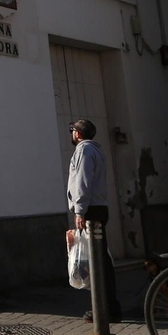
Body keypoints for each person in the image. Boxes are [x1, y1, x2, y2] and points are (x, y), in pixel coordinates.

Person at [65, 118, 121, 322]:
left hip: (91, 210)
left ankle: (104, 308)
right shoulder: (97, 150)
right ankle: (109, 306)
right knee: (100, 258)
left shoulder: (83, 150)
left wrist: (79, 210)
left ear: (78, 134)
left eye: (73, 130)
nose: (71, 134)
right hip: (98, 207)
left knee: (96, 260)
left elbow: (82, 180)